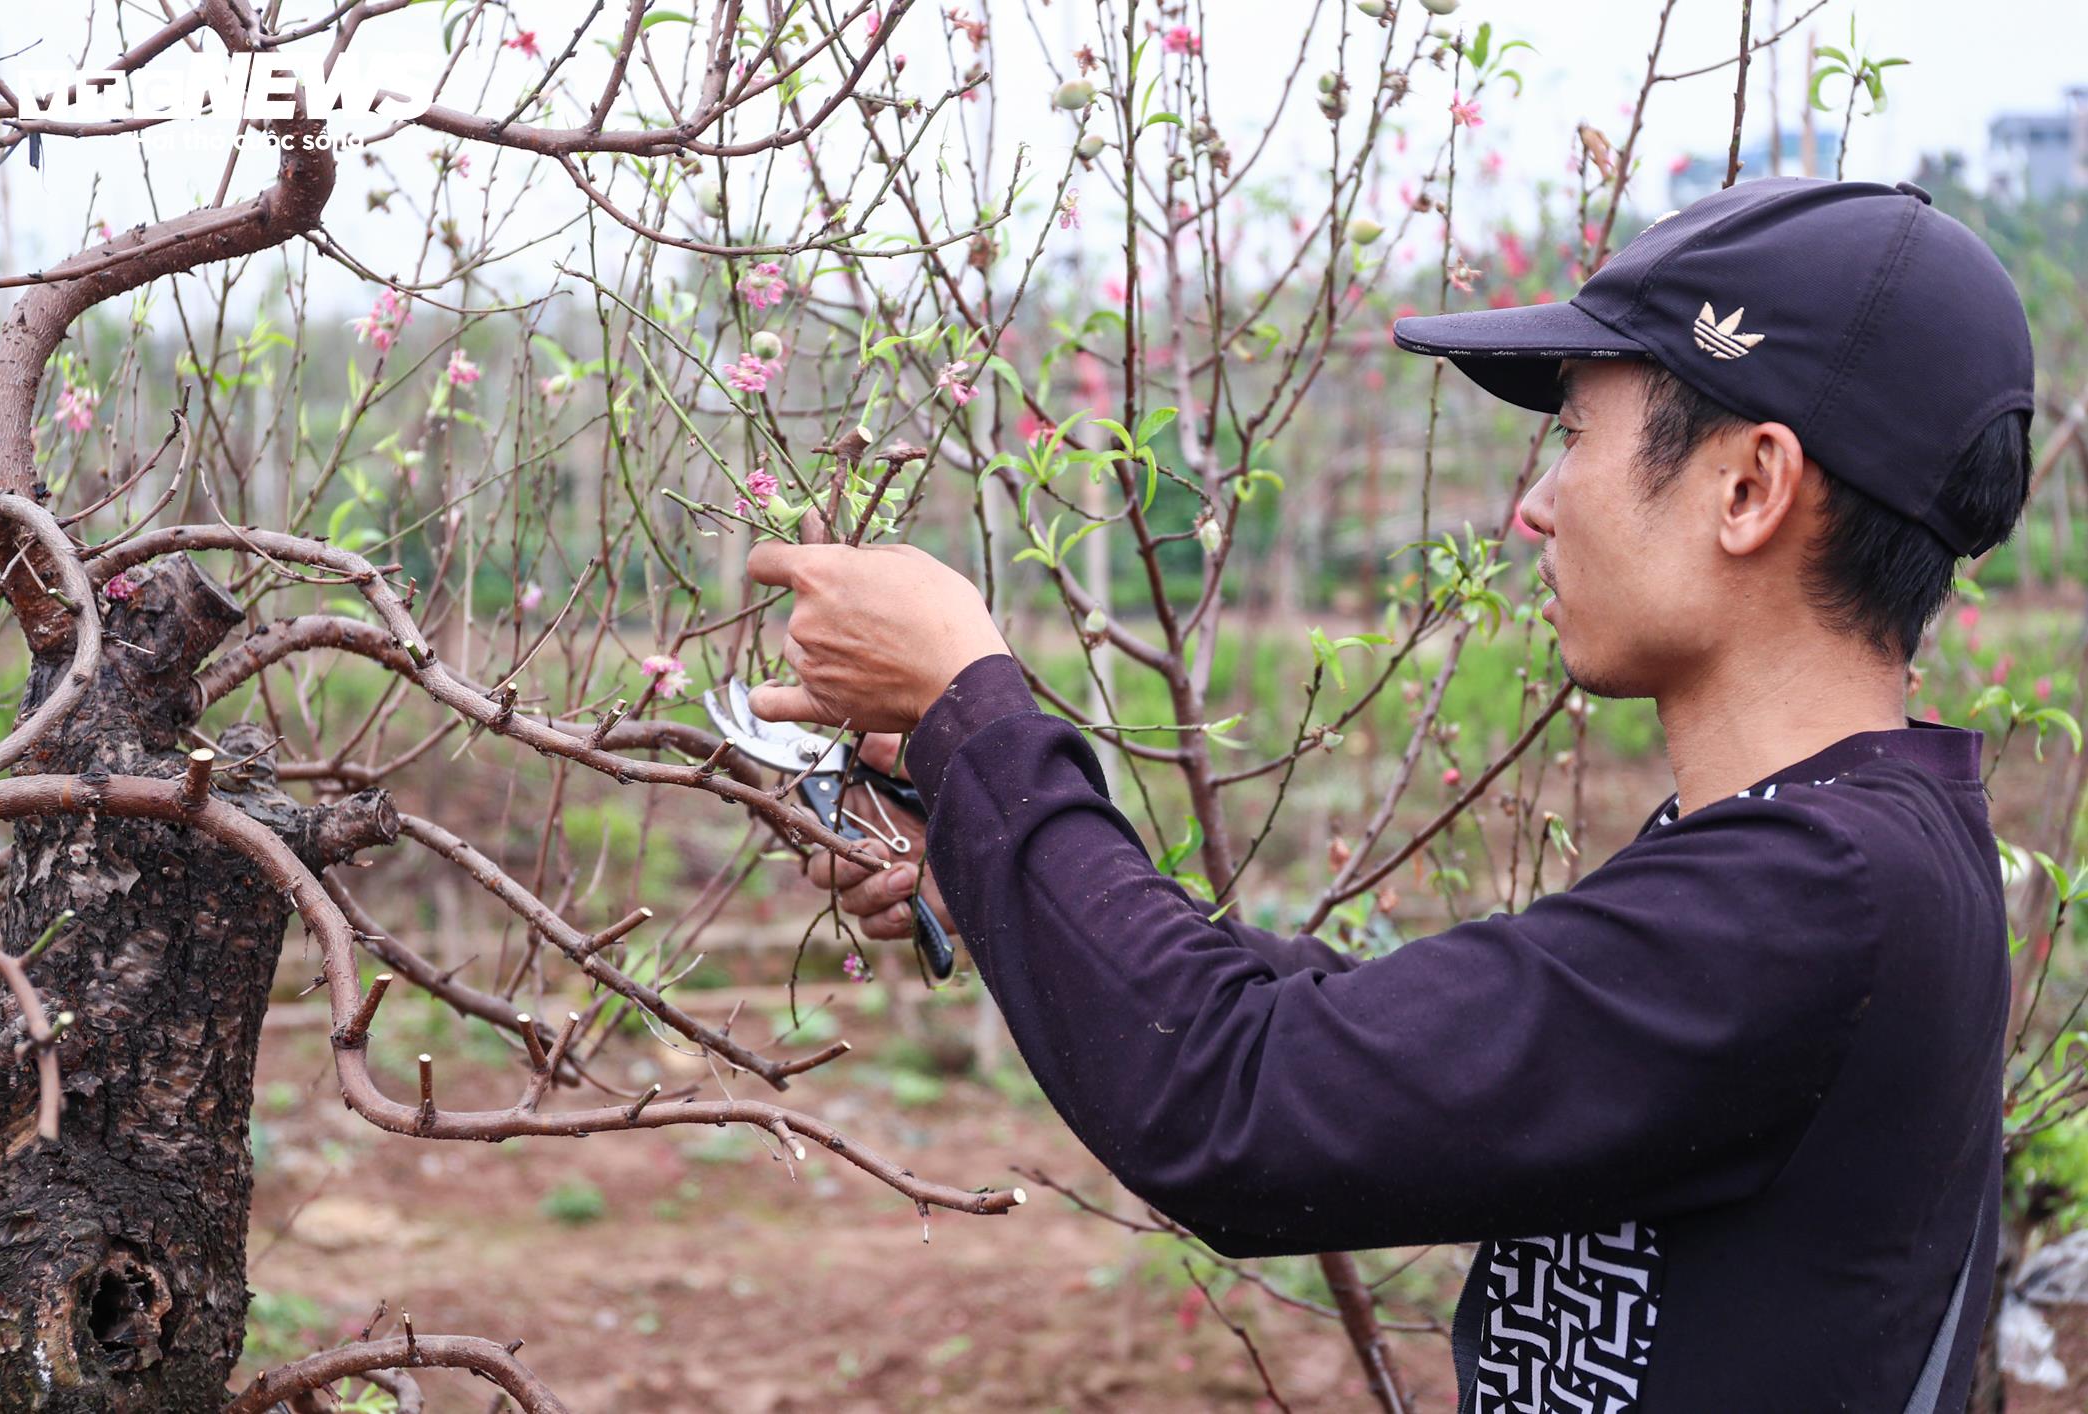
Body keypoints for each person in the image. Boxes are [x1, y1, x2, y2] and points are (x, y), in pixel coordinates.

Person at [743, 176, 2034, 1411]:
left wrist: (967, 704)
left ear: (1748, 487)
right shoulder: (1844, 854)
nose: (1535, 506)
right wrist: (986, 857)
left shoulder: (1818, 893)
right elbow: (1355, 1038)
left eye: (1575, 436)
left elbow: (1235, 1098)